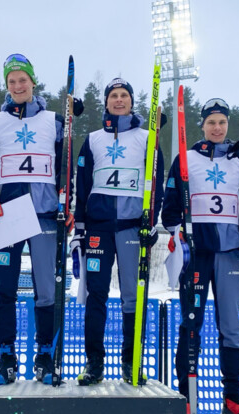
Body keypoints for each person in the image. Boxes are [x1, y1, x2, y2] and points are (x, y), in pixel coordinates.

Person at [0, 54, 80, 385]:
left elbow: (66, 168)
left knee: (46, 290)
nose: (18, 86)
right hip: (8, 214)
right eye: (11, 81)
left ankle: (45, 356)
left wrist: (69, 203)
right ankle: (5, 357)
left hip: (46, 214)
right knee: (4, 288)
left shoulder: (55, 121)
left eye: (23, 80)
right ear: (6, 86)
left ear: (33, 82)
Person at [161, 98, 239, 414]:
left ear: (227, 125)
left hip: (229, 251)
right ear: (202, 124)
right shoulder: (185, 159)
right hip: (197, 253)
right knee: (192, 322)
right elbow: (170, 207)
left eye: (222, 122)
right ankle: (185, 396)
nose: (217, 128)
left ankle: (233, 398)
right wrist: (177, 233)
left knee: (231, 326)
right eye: (211, 122)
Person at [73, 78, 164, 386]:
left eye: (124, 95)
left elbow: (157, 181)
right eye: (114, 95)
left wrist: (151, 221)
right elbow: (82, 182)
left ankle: (131, 361)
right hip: (98, 227)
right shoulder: (94, 138)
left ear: (131, 102)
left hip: (130, 227)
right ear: (107, 102)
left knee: (131, 298)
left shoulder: (146, 138)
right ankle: (94, 363)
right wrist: (80, 226)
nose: (119, 99)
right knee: (95, 295)